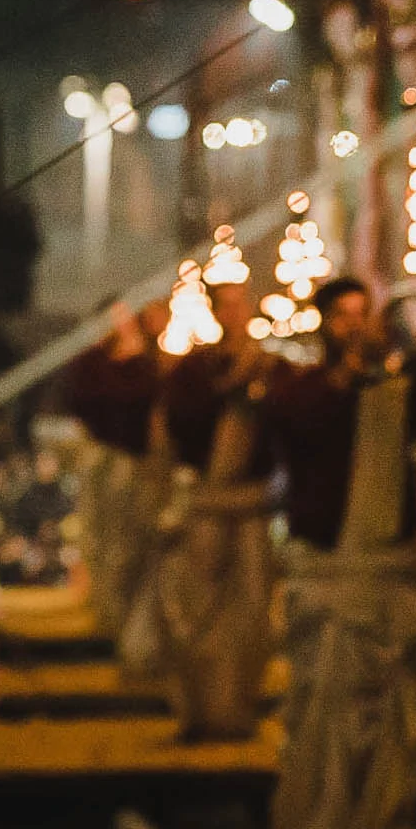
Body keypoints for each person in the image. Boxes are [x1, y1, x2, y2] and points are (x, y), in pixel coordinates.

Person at [257, 276, 416, 829]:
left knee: (402, 735)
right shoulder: (299, 388)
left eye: (363, 315)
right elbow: (294, 425)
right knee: (323, 733)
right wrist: (346, 379)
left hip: (394, 583)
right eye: (342, 316)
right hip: (333, 583)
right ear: (321, 324)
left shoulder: (401, 388)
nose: (354, 326)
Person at [137, 281, 276, 740]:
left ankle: (238, 707)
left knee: (254, 609)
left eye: (242, 305)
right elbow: (176, 431)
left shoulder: (270, 367)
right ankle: (203, 709)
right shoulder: (195, 372)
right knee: (199, 610)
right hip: (207, 506)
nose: (236, 314)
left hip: (251, 504)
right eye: (229, 306)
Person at [66, 301, 169, 641]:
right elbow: (87, 401)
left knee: (134, 543)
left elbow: (151, 400)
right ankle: (110, 619)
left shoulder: (146, 361)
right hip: (104, 463)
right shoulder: (92, 364)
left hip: (137, 466)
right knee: (103, 539)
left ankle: (129, 628)